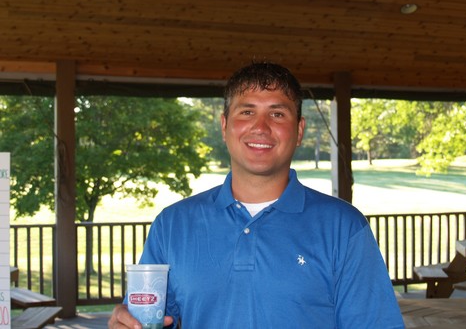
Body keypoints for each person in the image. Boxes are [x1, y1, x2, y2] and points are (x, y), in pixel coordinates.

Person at [109, 62, 404, 329]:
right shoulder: (172, 225)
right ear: (224, 126)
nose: (261, 127)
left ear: (299, 131)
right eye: (247, 112)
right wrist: (127, 323)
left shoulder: (344, 227)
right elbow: (147, 318)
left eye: (277, 114)